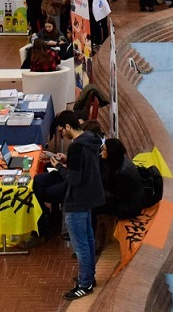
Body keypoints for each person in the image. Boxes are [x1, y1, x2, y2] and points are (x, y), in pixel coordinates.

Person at [55, 110, 105, 300]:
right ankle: (89, 277)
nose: (62, 134)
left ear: (68, 127)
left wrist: (59, 167)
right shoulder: (91, 139)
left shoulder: (76, 148)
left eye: (62, 131)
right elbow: (84, 166)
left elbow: (74, 180)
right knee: (89, 240)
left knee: (81, 246)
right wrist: (67, 161)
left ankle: (85, 285)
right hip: (89, 198)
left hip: (77, 201)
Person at [97, 137, 145, 219]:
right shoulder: (118, 161)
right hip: (123, 200)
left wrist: (98, 191)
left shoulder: (122, 173)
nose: (101, 152)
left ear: (111, 153)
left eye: (104, 150)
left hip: (128, 207)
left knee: (93, 206)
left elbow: (117, 197)